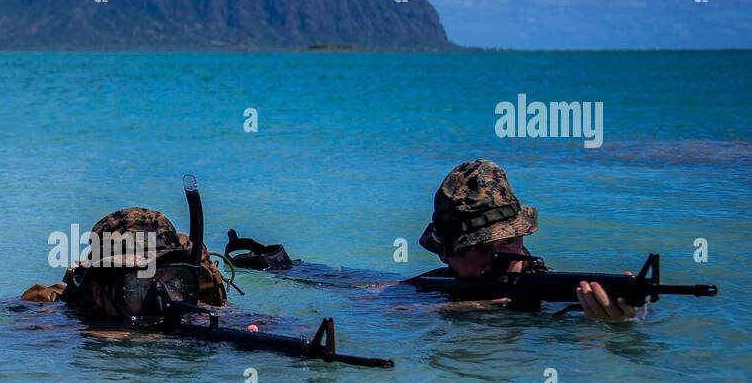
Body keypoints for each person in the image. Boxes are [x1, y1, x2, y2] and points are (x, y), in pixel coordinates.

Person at [226, 159, 638, 322]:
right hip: (382, 289)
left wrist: (620, 319)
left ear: (521, 236)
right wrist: (474, 305)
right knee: (322, 277)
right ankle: (273, 263)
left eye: (505, 244)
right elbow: (378, 309)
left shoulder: (553, 289)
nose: (493, 261)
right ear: (446, 253)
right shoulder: (435, 292)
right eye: (477, 248)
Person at [21, 207, 227, 317]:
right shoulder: (60, 324)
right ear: (97, 291)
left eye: (173, 284)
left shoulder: (195, 313)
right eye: (136, 288)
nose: (160, 300)